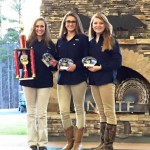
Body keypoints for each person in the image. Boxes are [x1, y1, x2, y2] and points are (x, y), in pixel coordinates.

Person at [20, 17, 57, 150]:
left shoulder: (51, 45)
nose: (39, 29)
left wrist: (54, 64)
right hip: (28, 81)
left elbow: (54, 66)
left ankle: (42, 143)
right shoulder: (27, 43)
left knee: (42, 113)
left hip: (44, 82)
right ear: (34, 28)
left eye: (42, 26)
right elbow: (20, 63)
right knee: (31, 113)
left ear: (45, 28)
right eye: (37, 26)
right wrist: (22, 59)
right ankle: (32, 142)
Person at [87, 12, 122, 150]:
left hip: (107, 80)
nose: (98, 25)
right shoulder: (90, 43)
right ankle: (102, 143)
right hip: (94, 81)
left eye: (101, 23)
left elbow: (118, 61)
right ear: (92, 25)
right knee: (101, 112)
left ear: (105, 25)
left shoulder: (112, 41)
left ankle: (108, 145)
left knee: (109, 111)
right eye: (95, 23)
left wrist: (100, 67)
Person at [56, 11, 89, 150]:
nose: (70, 24)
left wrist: (77, 65)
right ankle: (70, 141)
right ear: (64, 23)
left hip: (78, 79)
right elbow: (57, 58)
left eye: (73, 22)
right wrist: (56, 64)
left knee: (79, 109)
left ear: (77, 24)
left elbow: (87, 58)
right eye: (68, 21)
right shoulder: (60, 40)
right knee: (63, 110)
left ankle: (78, 143)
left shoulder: (83, 39)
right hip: (63, 80)